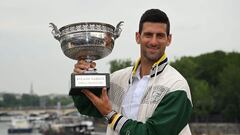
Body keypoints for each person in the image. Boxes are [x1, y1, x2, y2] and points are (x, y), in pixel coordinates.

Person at [72, 9, 193, 135]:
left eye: (160, 36)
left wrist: (111, 115)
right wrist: (81, 76)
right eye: (148, 35)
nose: (153, 41)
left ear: (169, 39)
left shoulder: (176, 86)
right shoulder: (117, 79)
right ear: (138, 37)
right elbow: (86, 106)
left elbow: (152, 133)